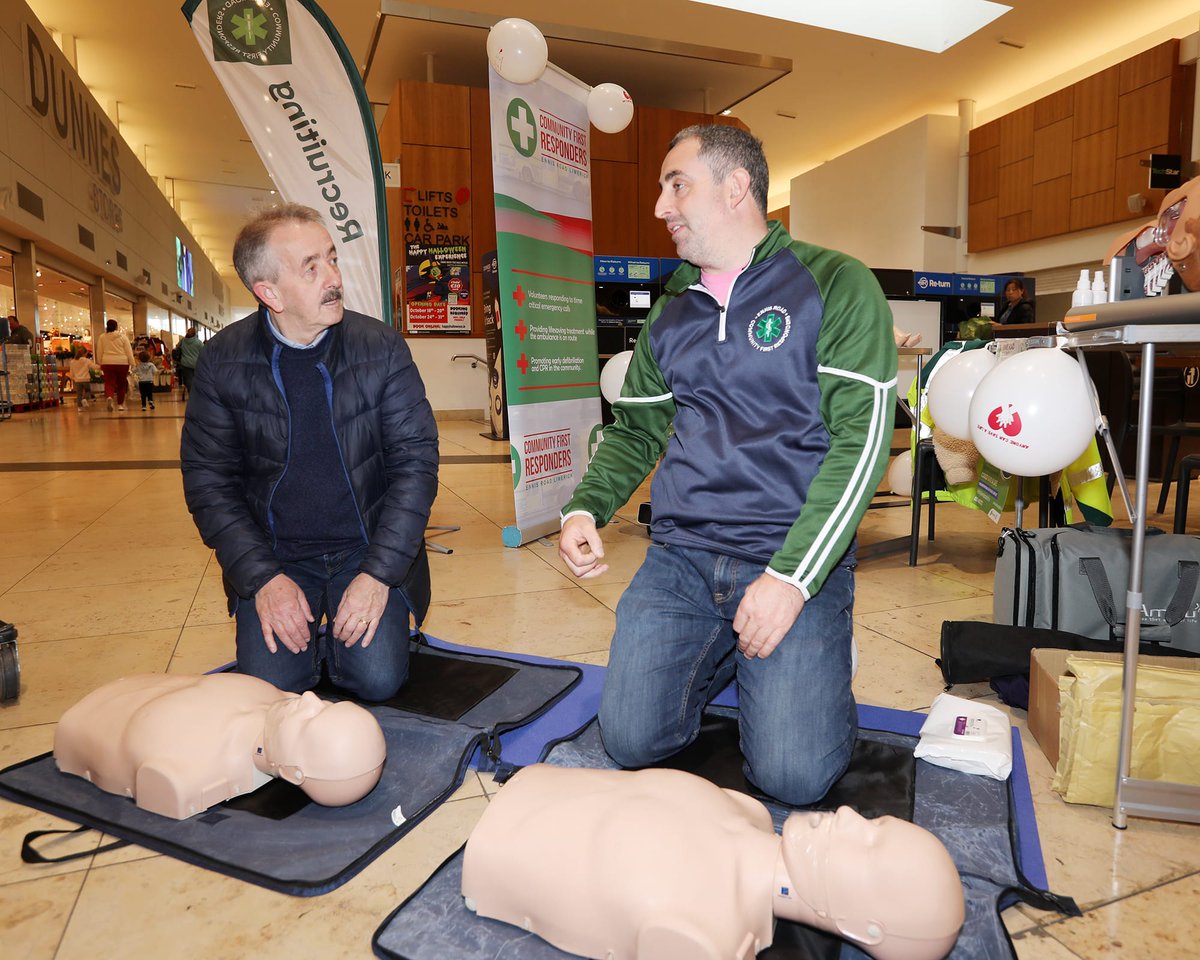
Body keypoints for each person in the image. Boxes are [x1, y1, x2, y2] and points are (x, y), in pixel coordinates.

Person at [558, 125, 897, 805]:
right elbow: (638, 430)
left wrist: (794, 580)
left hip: (787, 558)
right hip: (681, 561)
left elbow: (860, 445)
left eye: (675, 184)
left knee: (793, 778)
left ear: (736, 186)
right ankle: (724, 657)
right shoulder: (672, 310)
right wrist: (584, 506)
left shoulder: (835, 283)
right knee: (630, 741)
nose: (660, 206)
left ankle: (812, 663)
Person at [180, 203, 438, 703]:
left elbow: (416, 466)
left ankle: (350, 632)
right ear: (268, 293)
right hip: (277, 554)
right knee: (269, 688)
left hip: (364, 548)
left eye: (332, 259)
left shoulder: (380, 348)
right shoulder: (222, 362)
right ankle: (308, 633)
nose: (334, 277)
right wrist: (262, 580)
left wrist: (379, 575)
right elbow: (208, 484)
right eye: (312, 267)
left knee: (378, 680)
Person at [462, 764, 965, 960]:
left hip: (496, 851)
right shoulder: (744, 812)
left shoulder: (703, 935)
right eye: (876, 825)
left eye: (869, 844)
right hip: (530, 796)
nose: (851, 816)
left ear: (867, 929)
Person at [54, 673, 387, 820]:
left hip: (91, 717)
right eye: (328, 705)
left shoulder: (198, 761)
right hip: (128, 690)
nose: (310, 699)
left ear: (292, 771)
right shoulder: (277, 701)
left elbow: (162, 782)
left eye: (309, 720)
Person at [95, 318, 135, 411]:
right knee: (121, 384)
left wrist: (100, 361)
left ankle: (109, 396)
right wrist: (132, 362)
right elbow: (128, 351)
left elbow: (99, 350)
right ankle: (120, 405)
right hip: (122, 363)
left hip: (107, 362)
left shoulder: (102, 337)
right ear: (116, 327)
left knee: (109, 383)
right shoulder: (123, 337)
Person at [177, 326, 204, 399]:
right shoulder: (198, 342)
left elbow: (177, 348)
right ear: (195, 334)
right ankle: (197, 393)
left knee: (188, 379)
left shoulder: (182, 341)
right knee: (197, 378)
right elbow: (204, 351)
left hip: (185, 363)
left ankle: (191, 393)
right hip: (196, 363)